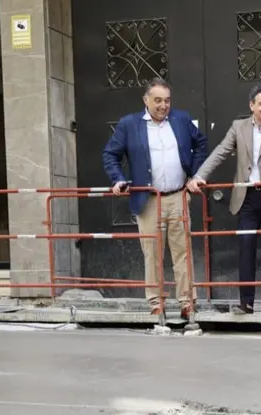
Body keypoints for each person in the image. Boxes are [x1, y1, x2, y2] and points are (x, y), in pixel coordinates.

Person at [102, 77, 207, 319]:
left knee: (183, 252)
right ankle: (156, 303)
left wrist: (195, 174)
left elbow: (201, 143)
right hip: (148, 200)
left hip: (178, 195)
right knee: (152, 253)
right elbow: (110, 154)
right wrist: (118, 179)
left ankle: (187, 302)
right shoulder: (130, 124)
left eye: (167, 100)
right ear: (146, 100)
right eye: (158, 100)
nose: (163, 105)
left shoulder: (181, 119)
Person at [189, 84, 261, 315]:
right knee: (246, 247)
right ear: (251, 105)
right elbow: (221, 151)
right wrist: (200, 176)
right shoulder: (238, 127)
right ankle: (246, 303)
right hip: (246, 197)